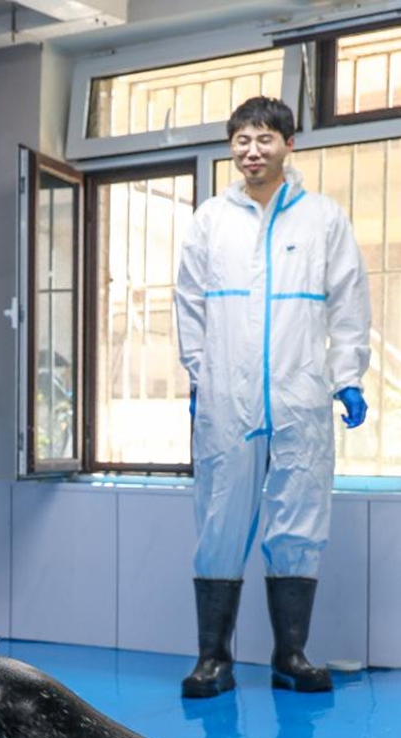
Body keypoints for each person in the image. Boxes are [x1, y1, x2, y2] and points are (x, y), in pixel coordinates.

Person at [175, 96, 370, 700]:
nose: (251, 150)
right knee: (219, 521)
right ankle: (214, 659)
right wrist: (200, 377)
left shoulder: (323, 218)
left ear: (290, 144)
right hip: (226, 398)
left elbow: (349, 299)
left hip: (300, 392)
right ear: (231, 147)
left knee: (299, 520)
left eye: (264, 138)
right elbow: (188, 303)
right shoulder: (211, 218)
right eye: (241, 140)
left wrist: (348, 375)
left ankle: (291, 655)